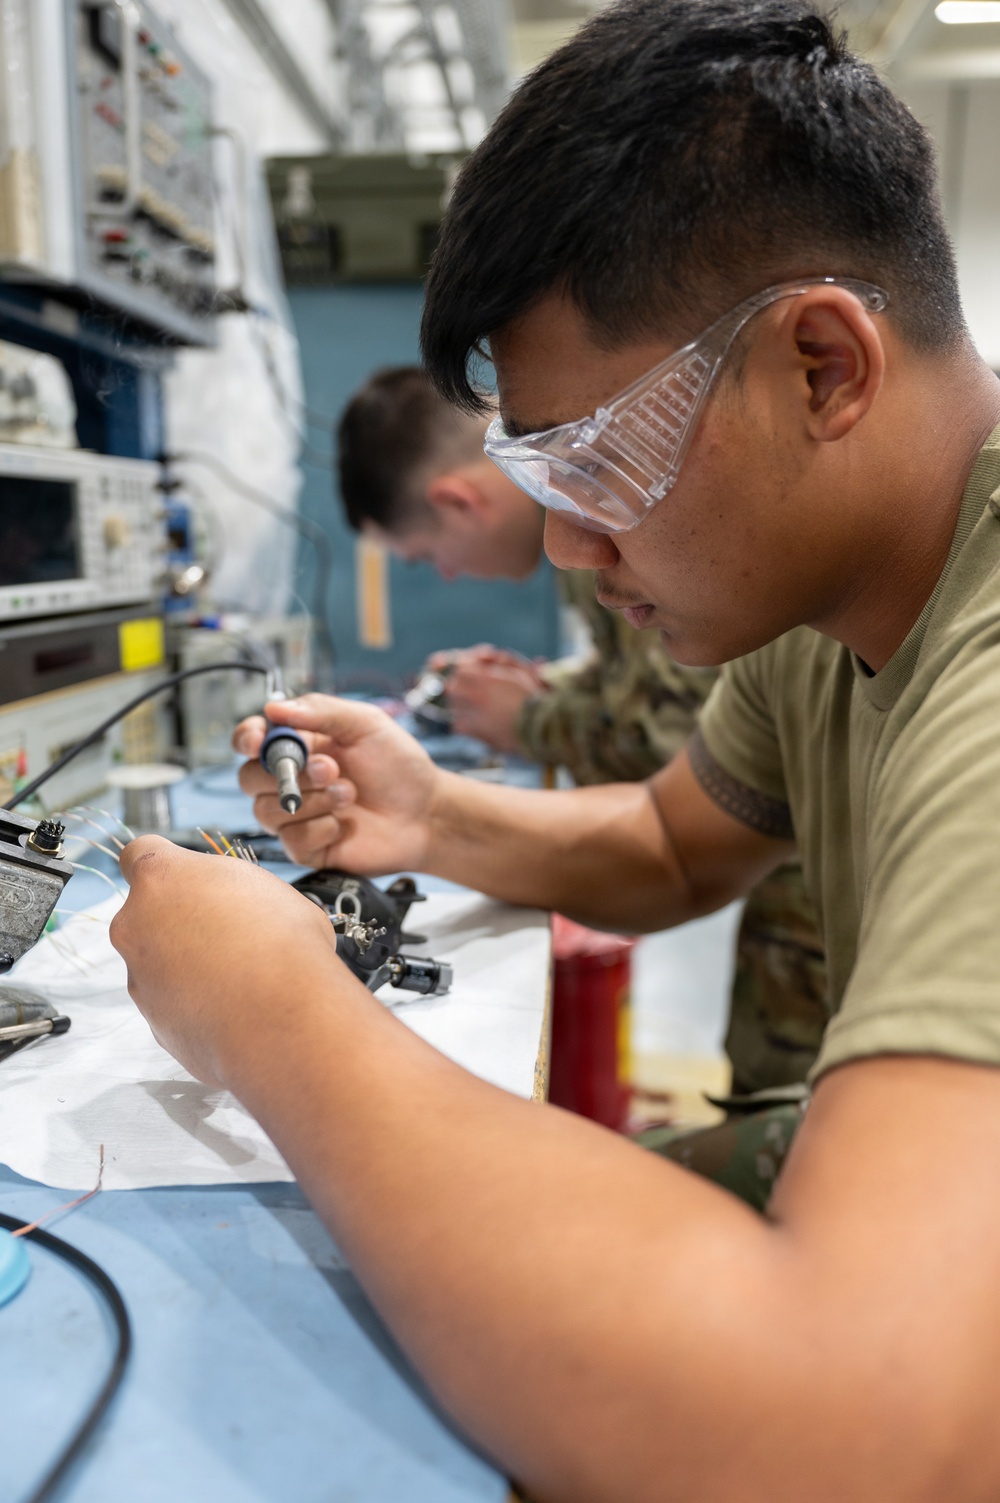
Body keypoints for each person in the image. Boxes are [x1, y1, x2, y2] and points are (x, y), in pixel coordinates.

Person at [111, 3, 1000, 1497]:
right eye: (544, 475)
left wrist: (265, 1004)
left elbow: (861, 1436)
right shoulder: (823, 593)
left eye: (598, 461)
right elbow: (670, 842)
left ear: (827, 368)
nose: (575, 544)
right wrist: (431, 813)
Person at [340, 366, 828, 1097]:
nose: (443, 575)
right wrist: (538, 692)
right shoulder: (591, 516)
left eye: (426, 556)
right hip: (783, 857)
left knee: (793, 1102)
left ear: (456, 501)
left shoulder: (597, 517)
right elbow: (663, 702)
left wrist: (530, 719)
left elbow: (686, 743)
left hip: (810, 903)